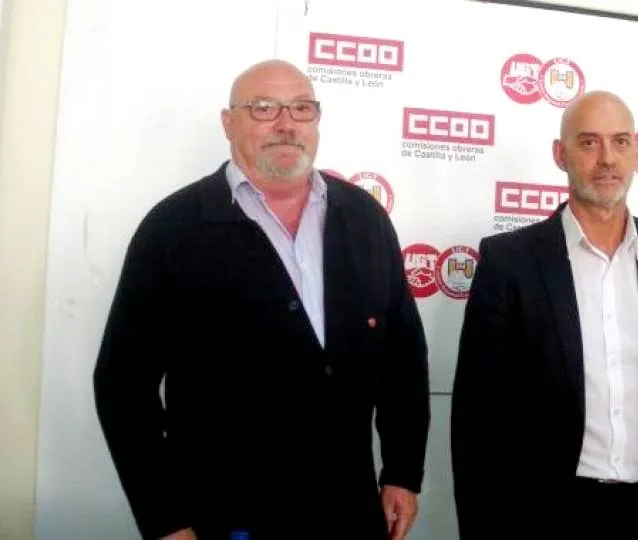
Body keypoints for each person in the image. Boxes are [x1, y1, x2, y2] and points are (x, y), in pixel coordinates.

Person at [92, 59, 431, 540]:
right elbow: (123, 386)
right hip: (224, 514)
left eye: (301, 108)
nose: (286, 124)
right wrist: (164, 519)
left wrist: (402, 471)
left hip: (348, 510)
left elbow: (403, 359)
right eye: (264, 108)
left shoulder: (365, 219)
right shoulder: (173, 229)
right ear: (228, 123)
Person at [450, 91, 638, 539]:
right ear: (561, 154)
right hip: (547, 512)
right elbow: (478, 416)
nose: (607, 158)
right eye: (589, 142)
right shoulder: (510, 261)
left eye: (620, 142)